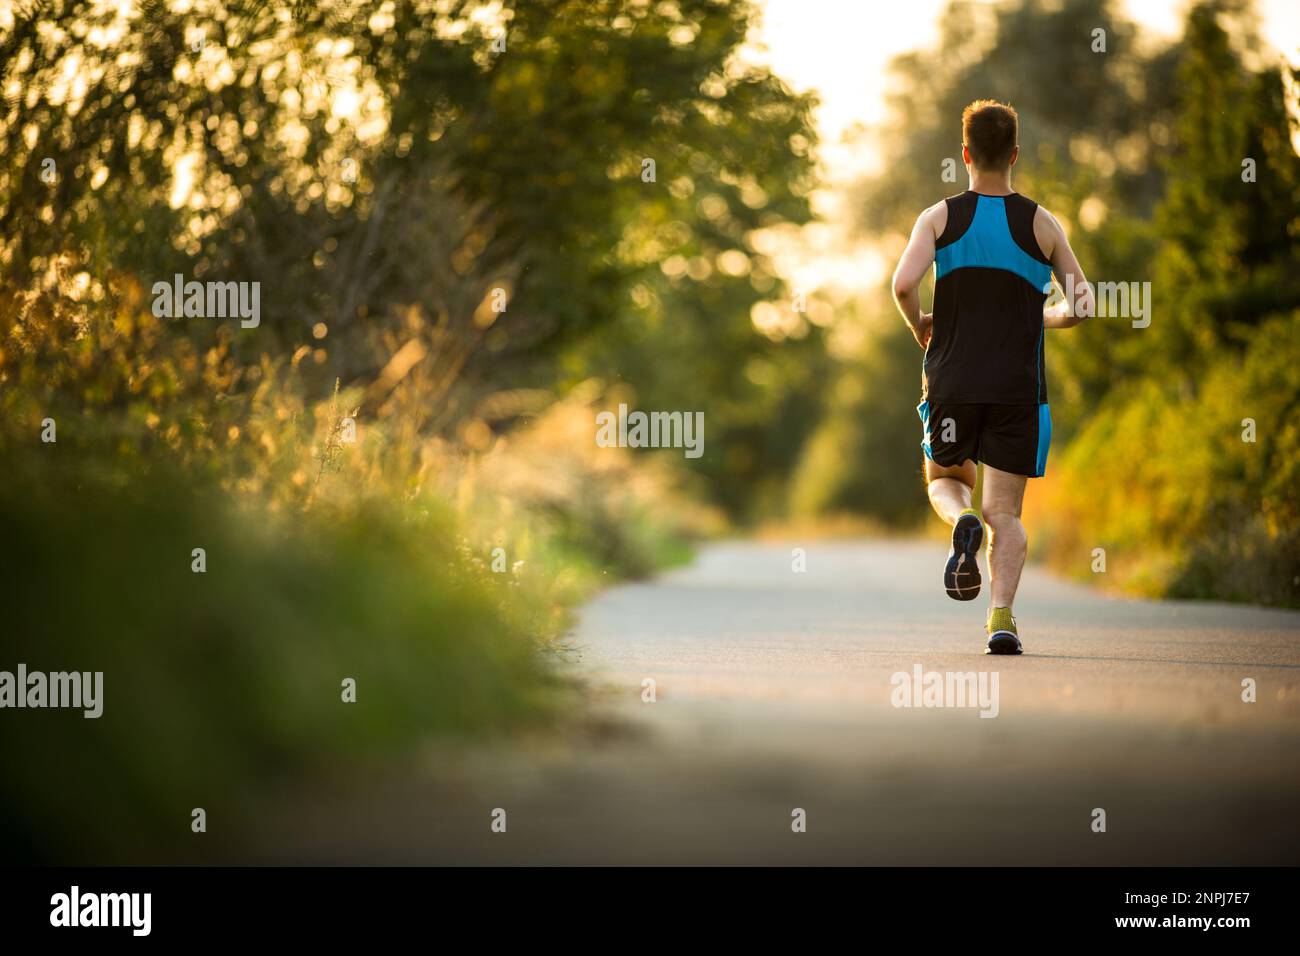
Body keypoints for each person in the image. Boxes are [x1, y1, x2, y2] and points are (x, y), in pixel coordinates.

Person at [890, 99, 1094, 655]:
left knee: (945, 481)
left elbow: (903, 285)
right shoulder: (1041, 223)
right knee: (1005, 513)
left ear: (965, 154)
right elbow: (1082, 303)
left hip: (953, 382)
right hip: (1017, 392)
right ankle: (1000, 619)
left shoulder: (939, 218)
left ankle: (960, 521)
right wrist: (1046, 316)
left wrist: (920, 327)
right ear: (1015, 155)